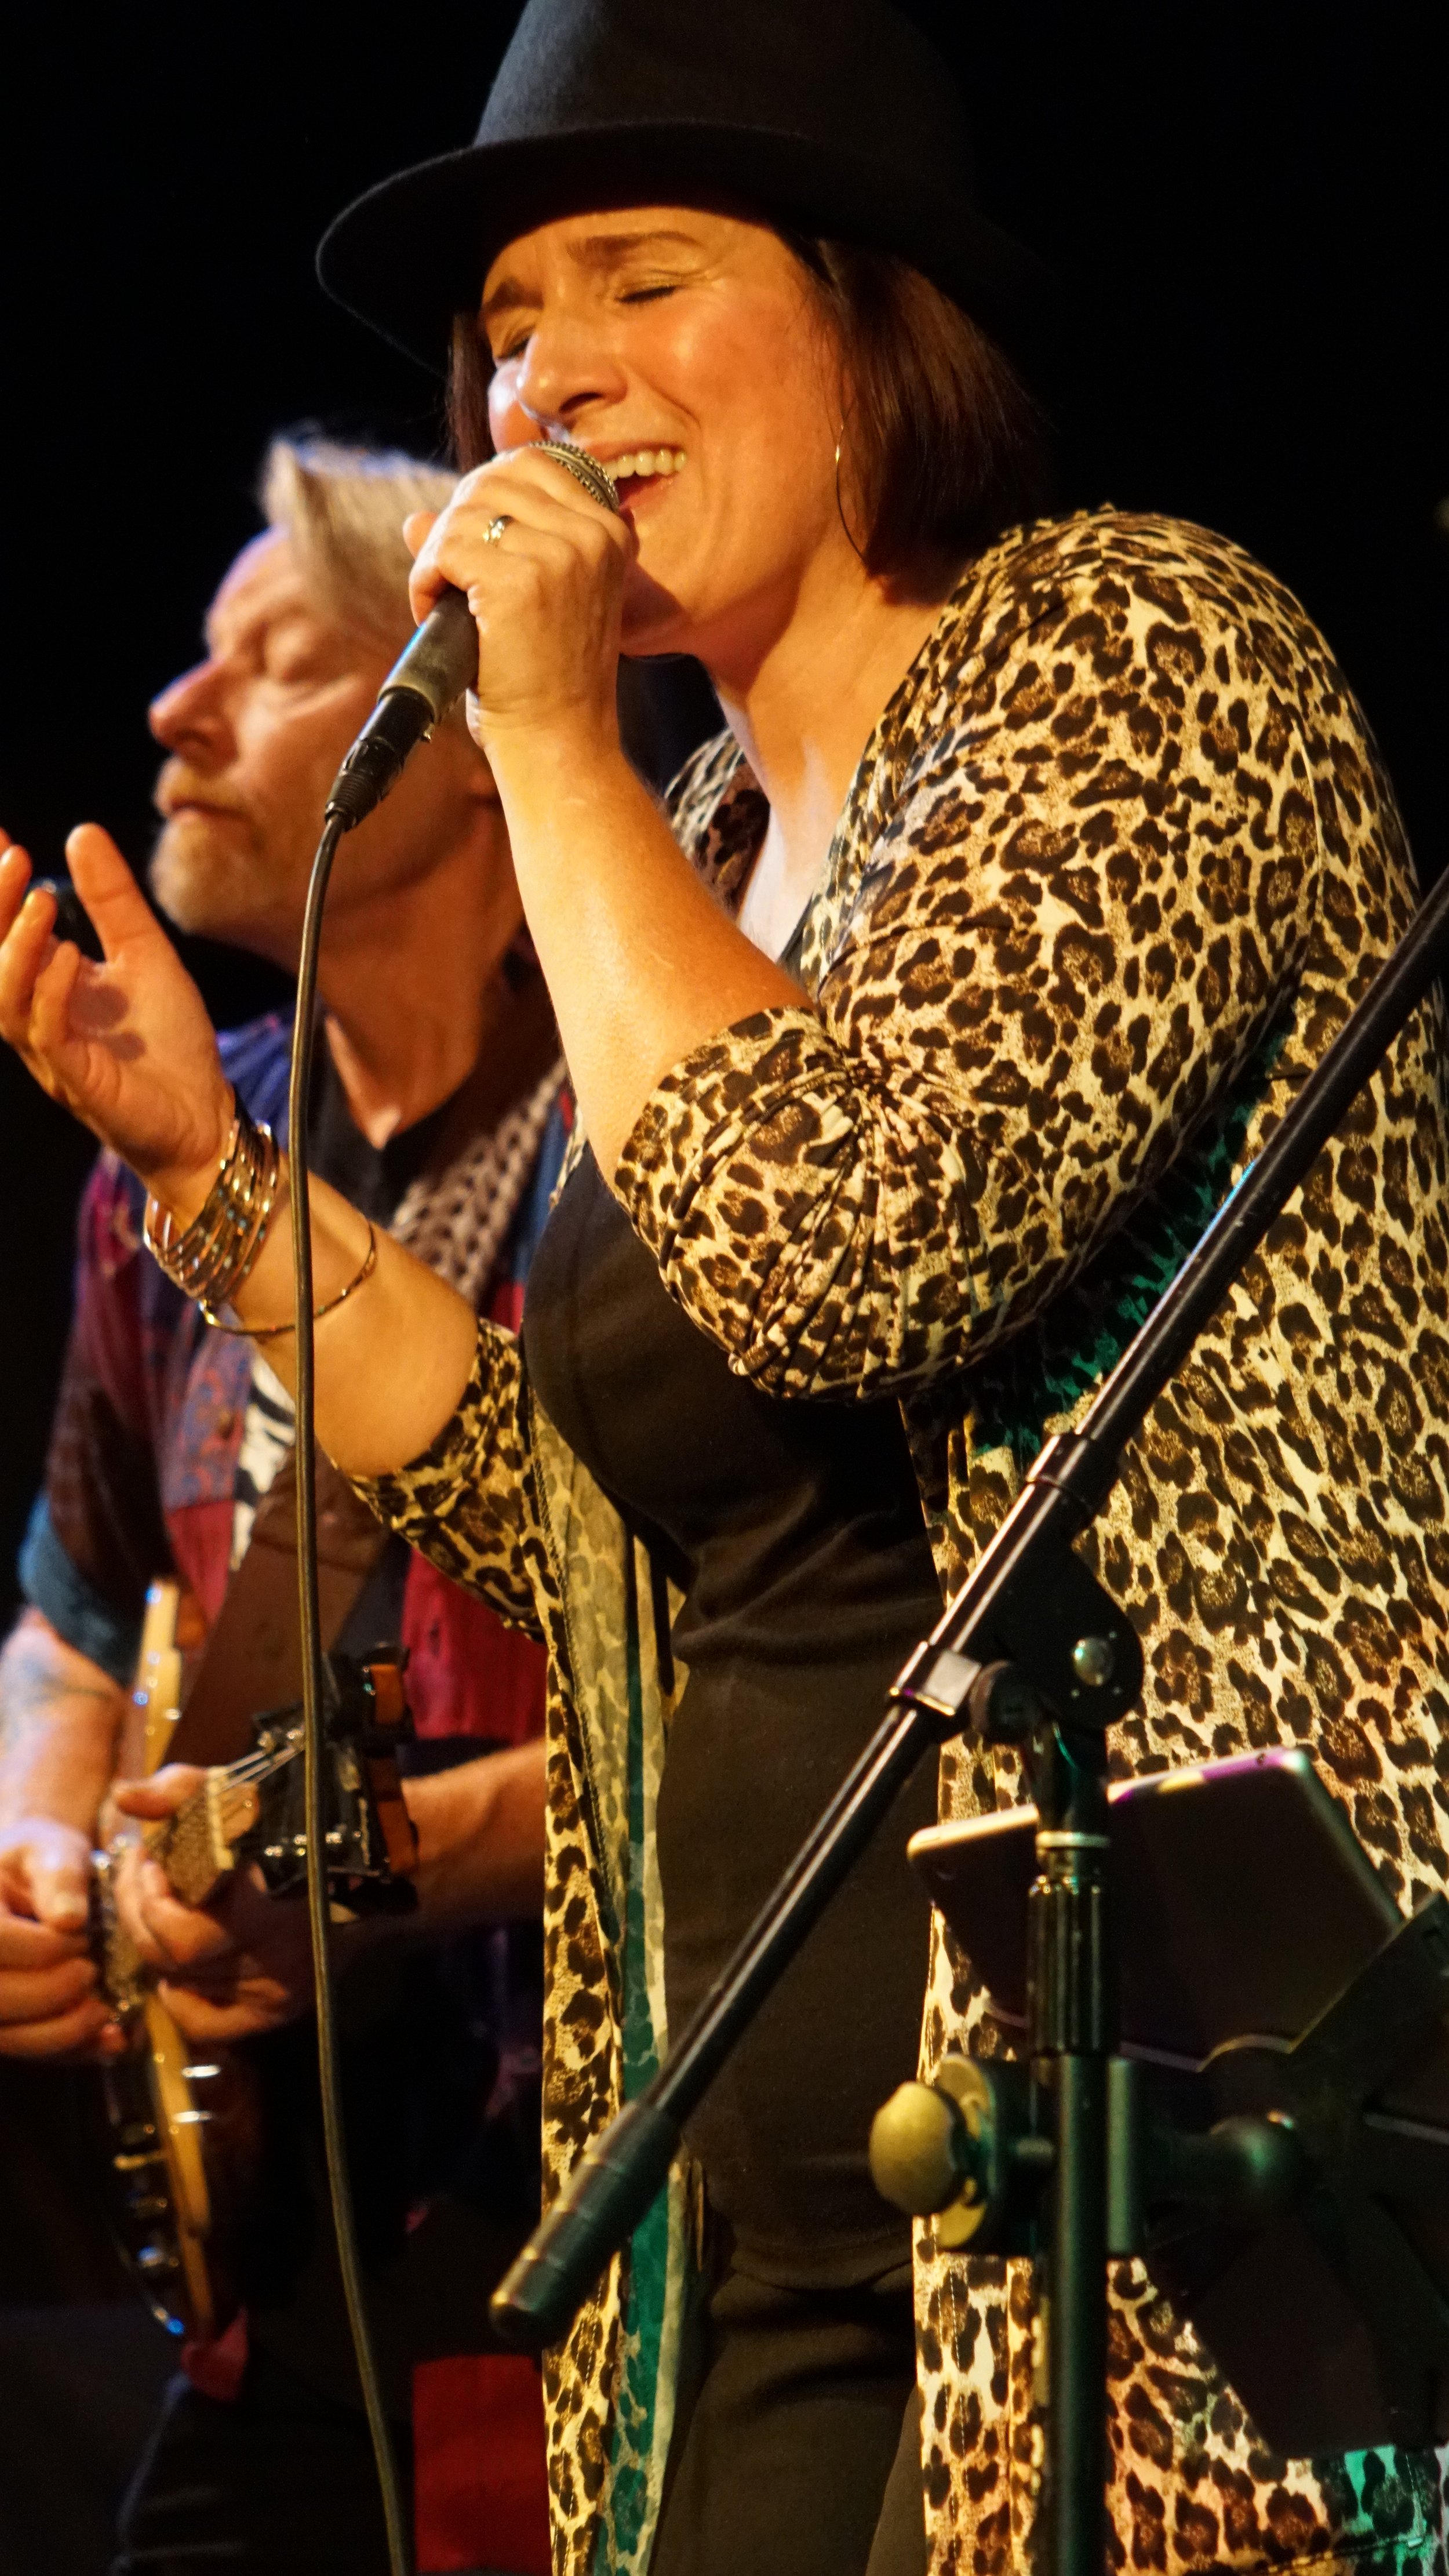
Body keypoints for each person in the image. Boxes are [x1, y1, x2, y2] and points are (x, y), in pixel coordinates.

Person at [4, 2, 1448, 2572]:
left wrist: (539, 750)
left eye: (638, 282)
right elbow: (563, 1490)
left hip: (1118, 2212)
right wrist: (213, 1179)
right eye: (513, 326)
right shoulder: (689, 822)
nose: (545, 377)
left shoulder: (1130, 661)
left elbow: (836, 1242)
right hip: (738, 2222)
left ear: (880, 321)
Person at [0, 437, 563, 2576]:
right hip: (279, 2264)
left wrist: (389, 1858)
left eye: (280, 661)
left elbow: (733, 1687)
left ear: (473, 737)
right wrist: (51, 1855)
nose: (176, 709)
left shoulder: (631, 1135)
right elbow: (67, 1619)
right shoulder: (178, 1139)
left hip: (558, 2220)